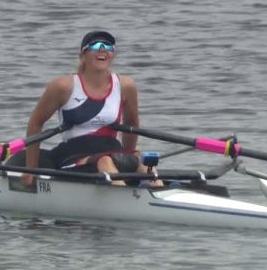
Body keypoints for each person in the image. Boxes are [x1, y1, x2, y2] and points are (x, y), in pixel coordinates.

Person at [21, 30, 163, 187]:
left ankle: (160, 191)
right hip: (75, 153)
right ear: (82, 55)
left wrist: (126, 156)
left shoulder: (125, 86)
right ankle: (125, 196)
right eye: (95, 45)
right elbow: (36, 122)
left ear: (113, 56)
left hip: (112, 149)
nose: (102, 49)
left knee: (143, 162)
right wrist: (30, 169)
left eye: (109, 46)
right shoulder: (63, 86)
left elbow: (131, 124)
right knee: (105, 161)